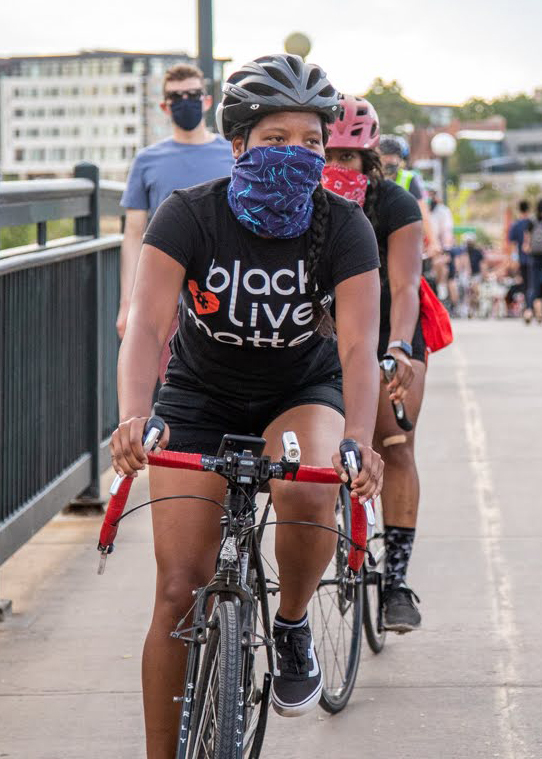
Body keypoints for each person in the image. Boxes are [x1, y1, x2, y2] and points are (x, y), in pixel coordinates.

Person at [110, 54, 384, 754]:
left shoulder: (343, 226)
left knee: (311, 490)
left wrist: (360, 436)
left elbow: (357, 347)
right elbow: (146, 325)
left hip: (300, 390)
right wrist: (134, 413)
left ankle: (291, 622)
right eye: (276, 140)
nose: (298, 154)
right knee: (177, 587)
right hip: (200, 394)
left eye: (312, 144)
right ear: (236, 146)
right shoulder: (188, 216)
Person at [322, 95, 425, 633]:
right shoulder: (295, 199)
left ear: (370, 159)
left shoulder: (394, 205)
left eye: (348, 157)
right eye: (328, 154)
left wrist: (400, 348)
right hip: (320, 334)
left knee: (395, 442)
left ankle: (397, 582)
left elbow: (407, 285)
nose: (336, 167)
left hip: (388, 333)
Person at [117, 62, 234, 380]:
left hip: (227, 288)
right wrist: (128, 302)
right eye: (176, 96)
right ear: (164, 106)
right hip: (165, 292)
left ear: (207, 101)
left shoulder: (233, 156)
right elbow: (133, 233)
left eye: (193, 94)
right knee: (174, 383)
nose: (185, 101)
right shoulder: (146, 160)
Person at [379, 134, 439, 256]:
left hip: (403, 238)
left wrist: (434, 242)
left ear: (400, 159)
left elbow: (424, 212)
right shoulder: (368, 178)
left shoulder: (409, 179)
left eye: (392, 156)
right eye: (384, 156)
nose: (388, 160)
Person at [508, 200, 533, 322]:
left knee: (526, 285)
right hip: (535, 259)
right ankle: (532, 308)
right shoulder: (532, 222)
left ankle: (528, 308)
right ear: (528, 209)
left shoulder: (515, 225)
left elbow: (513, 244)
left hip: (522, 259)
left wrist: (514, 259)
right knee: (534, 284)